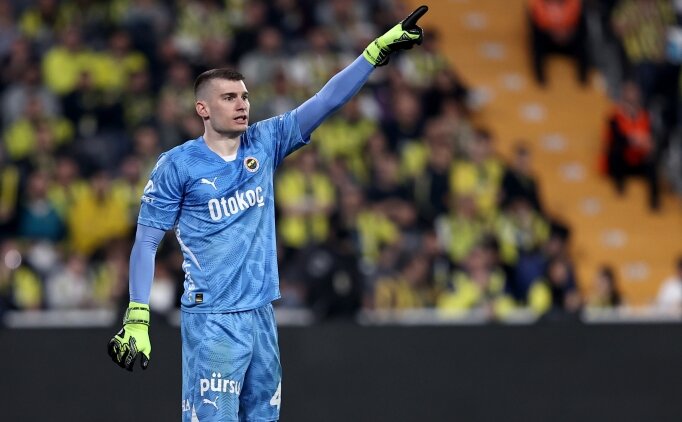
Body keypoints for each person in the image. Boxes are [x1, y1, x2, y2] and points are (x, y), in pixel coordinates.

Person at [107, 5, 429, 421]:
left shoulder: (265, 141)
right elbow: (146, 242)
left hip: (261, 315)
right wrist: (137, 315)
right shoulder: (177, 165)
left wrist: (375, 52)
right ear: (203, 109)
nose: (242, 104)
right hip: (213, 319)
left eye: (244, 96)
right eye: (229, 97)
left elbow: (326, 100)